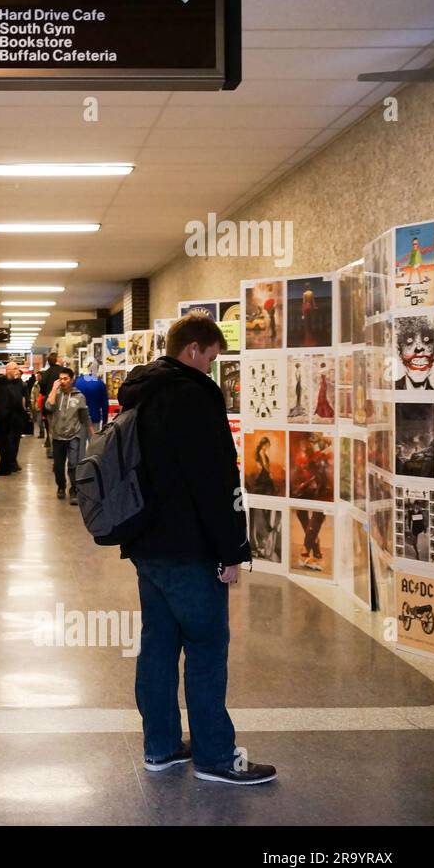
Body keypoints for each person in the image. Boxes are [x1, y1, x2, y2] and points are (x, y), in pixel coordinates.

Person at [116, 312, 275, 785]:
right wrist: (232, 550)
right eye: (211, 357)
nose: (212, 367)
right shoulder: (195, 396)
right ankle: (215, 757)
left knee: (159, 646)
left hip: (147, 544)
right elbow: (215, 480)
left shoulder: (140, 393)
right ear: (192, 351)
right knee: (207, 647)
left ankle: (161, 747)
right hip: (191, 549)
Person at [43, 367, 92, 503]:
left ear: (72, 380)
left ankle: (74, 490)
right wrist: (54, 388)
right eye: (61, 379)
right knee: (58, 466)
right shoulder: (56, 394)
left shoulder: (79, 396)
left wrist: (91, 434)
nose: (63, 381)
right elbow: (48, 407)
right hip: (58, 436)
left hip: (73, 435)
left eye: (66, 379)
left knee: (73, 464)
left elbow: (85, 417)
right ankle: (61, 486)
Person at [0, 362, 29, 475]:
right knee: (4, 443)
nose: (17, 370)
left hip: (16, 417)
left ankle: (12, 463)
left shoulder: (21, 384)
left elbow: (24, 399)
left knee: (14, 441)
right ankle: (7, 465)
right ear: (8, 370)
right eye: (15, 368)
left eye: (17, 368)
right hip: (3, 418)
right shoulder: (0, 382)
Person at [74, 359, 109, 431]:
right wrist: (105, 421)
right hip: (95, 418)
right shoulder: (100, 384)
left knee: (81, 442)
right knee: (94, 441)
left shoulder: (77, 382)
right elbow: (105, 404)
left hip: (79, 419)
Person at [37, 352, 62, 455]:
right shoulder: (63, 372)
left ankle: (51, 452)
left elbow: (42, 391)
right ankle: (60, 453)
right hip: (61, 403)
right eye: (59, 357)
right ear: (56, 359)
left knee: (51, 429)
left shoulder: (45, 373)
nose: (61, 358)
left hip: (48, 404)